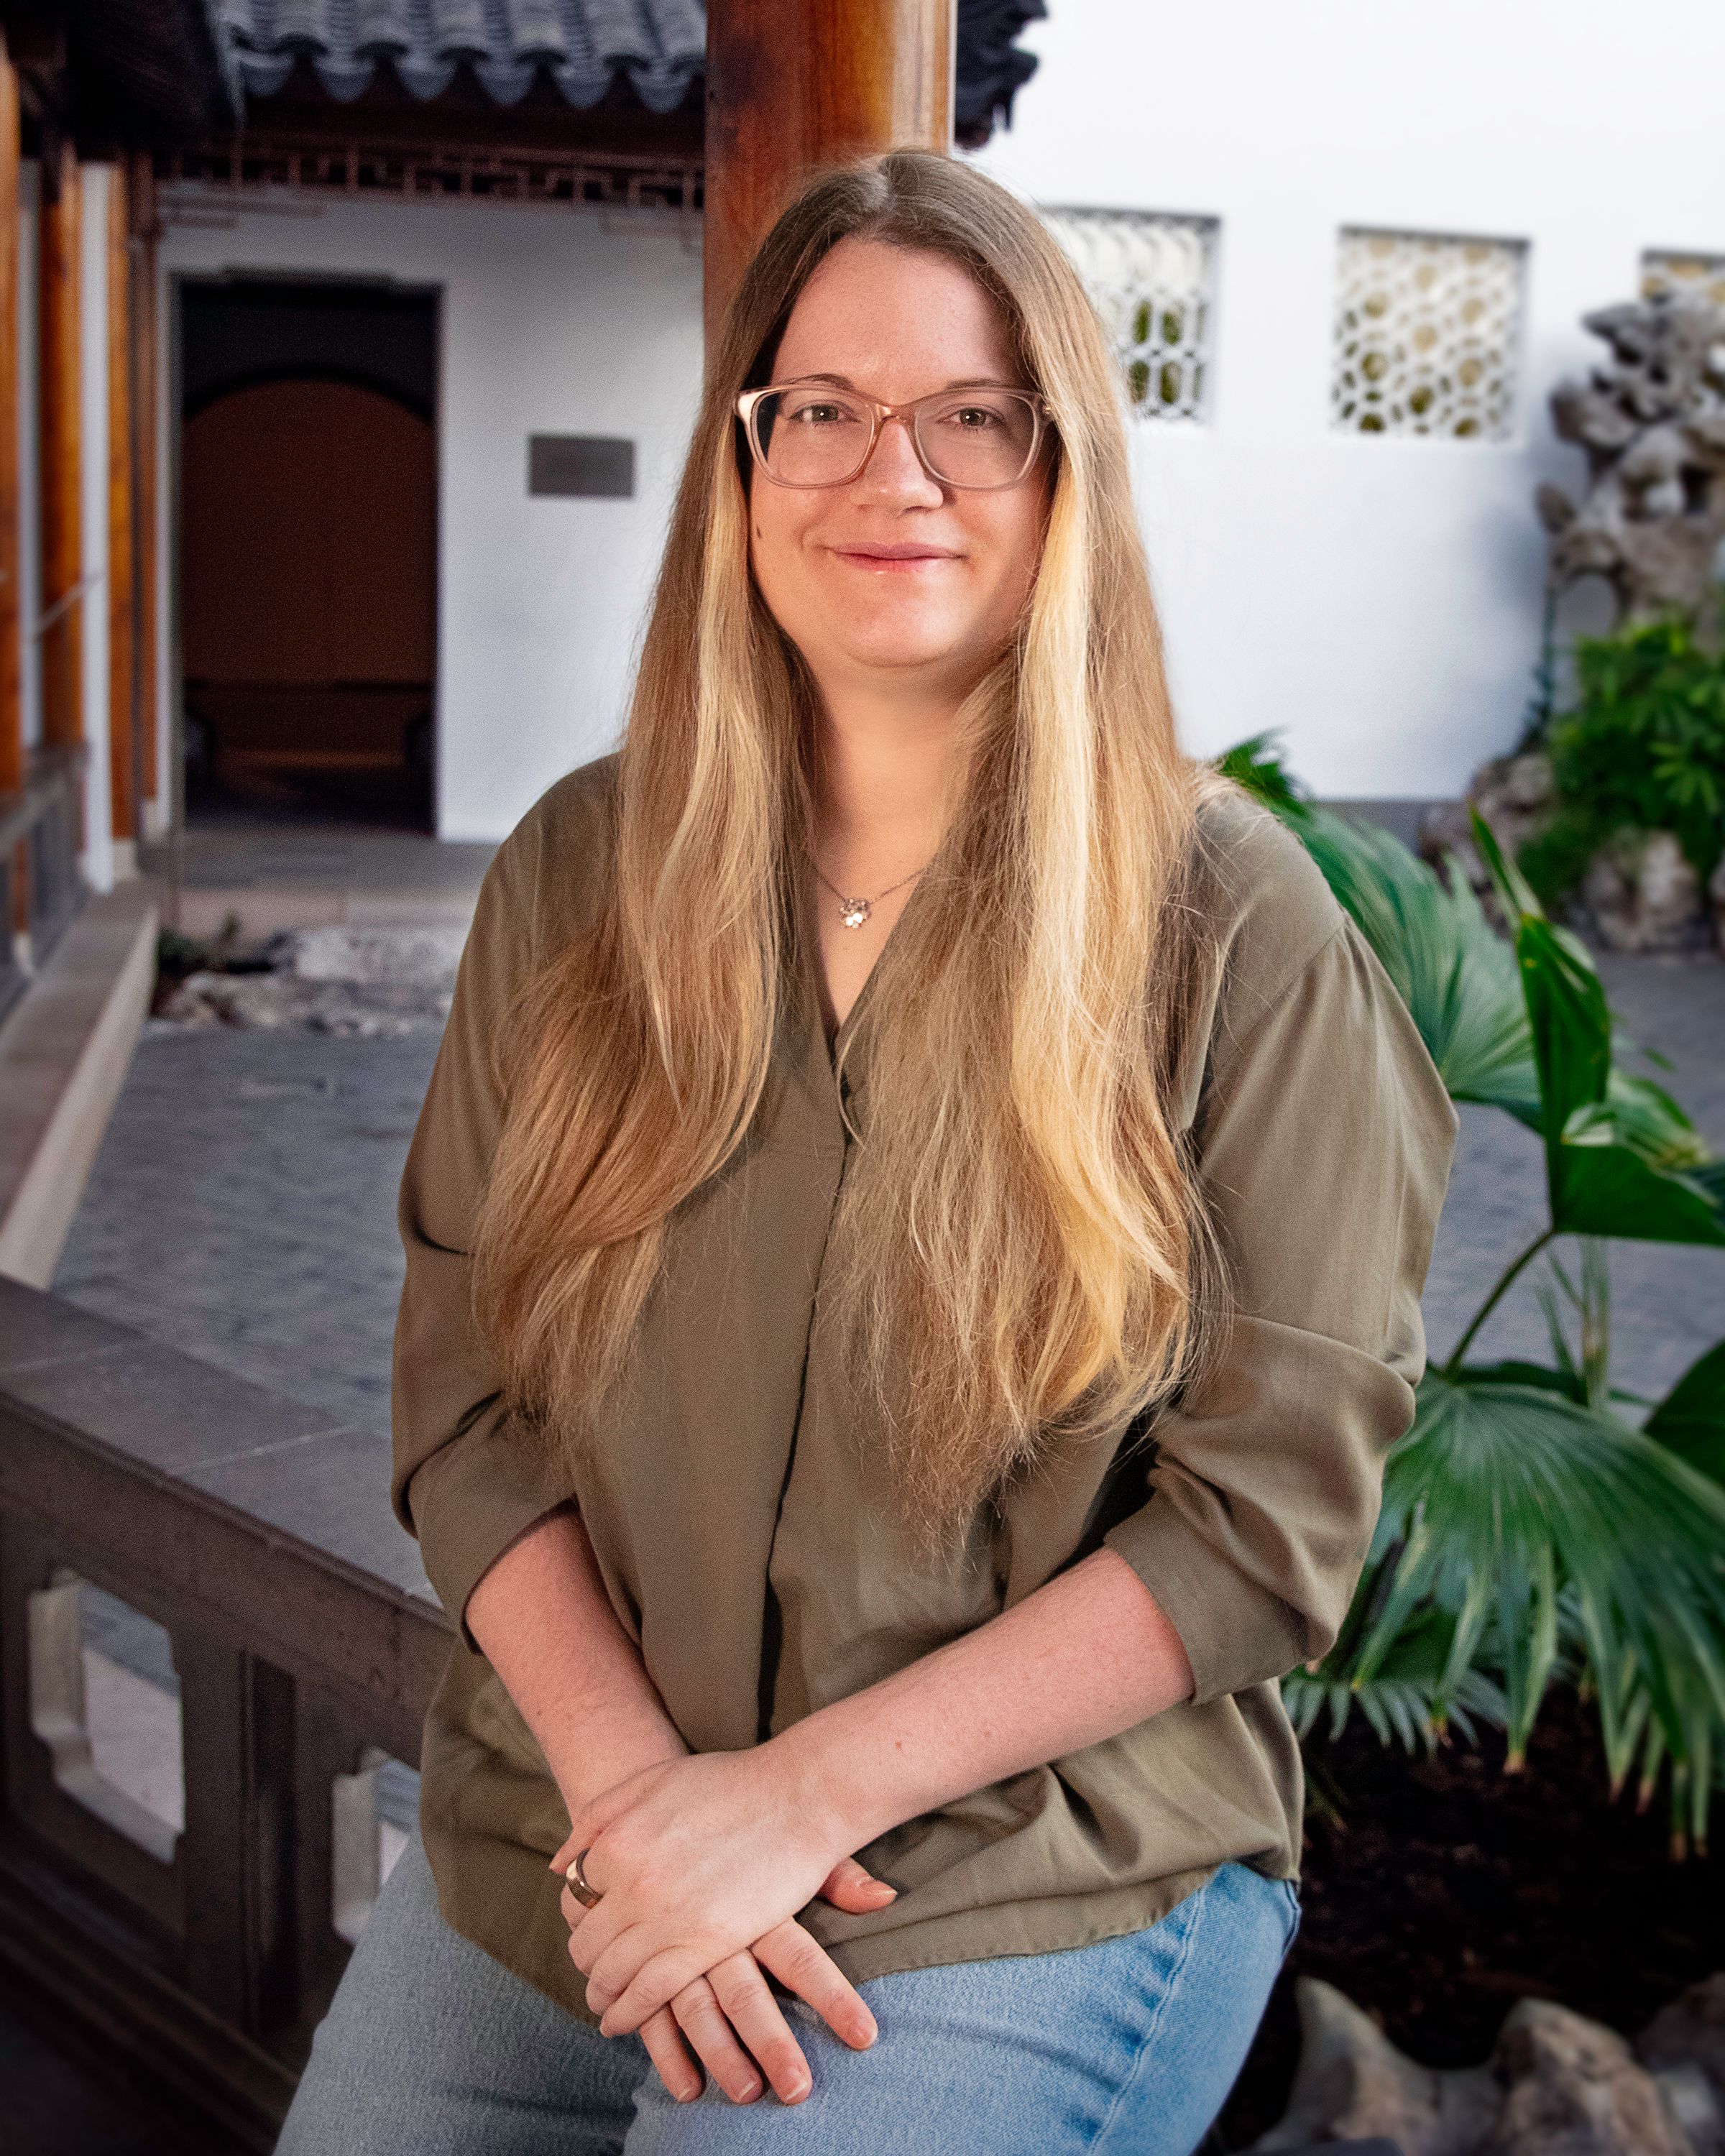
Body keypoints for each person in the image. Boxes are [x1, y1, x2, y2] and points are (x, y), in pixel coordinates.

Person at [276, 150, 1455, 2155]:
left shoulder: (1235, 930)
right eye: (818, 409)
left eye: (970, 417)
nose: (886, 477)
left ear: (1062, 469)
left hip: (1019, 1868)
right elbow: (471, 1404)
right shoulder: (582, 870)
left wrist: (794, 1802)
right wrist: (654, 1807)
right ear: (743, 460)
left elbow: (1264, 1525)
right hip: (567, 1829)